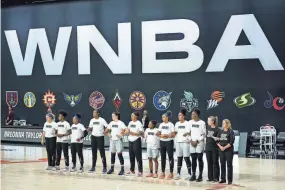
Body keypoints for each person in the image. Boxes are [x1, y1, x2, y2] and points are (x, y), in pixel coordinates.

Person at [188, 108, 206, 182]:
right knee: (193, 159)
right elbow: (188, 132)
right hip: (192, 143)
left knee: (199, 159)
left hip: (199, 143)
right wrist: (191, 140)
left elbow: (204, 134)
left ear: (197, 114)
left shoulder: (202, 123)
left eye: (193, 114)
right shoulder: (190, 122)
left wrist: (197, 141)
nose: (192, 115)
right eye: (191, 114)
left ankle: (200, 175)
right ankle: (193, 174)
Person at [173, 109, 192, 180]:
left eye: (180, 115)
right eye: (178, 115)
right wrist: (170, 134)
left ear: (183, 116)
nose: (179, 116)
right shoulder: (177, 124)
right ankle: (178, 174)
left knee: (186, 158)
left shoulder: (187, 123)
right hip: (178, 142)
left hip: (185, 142)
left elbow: (190, 132)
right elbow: (175, 133)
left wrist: (187, 135)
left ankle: (190, 174)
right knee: (179, 158)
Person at [156, 111, 175, 179]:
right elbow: (157, 133)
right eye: (162, 117)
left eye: (163, 117)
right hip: (162, 142)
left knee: (170, 157)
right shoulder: (161, 125)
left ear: (167, 117)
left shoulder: (171, 124)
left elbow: (173, 134)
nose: (162, 118)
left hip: (169, 142)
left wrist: (167, 135)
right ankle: (163, 172)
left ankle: (171, 172)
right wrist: (161, 135)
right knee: (162, 157)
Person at [125, 112, 144, 176]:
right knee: (131, 156)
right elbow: (128, 130)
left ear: (136, 116)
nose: (131, 116)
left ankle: (140, 171)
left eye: (132, 115)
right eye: (131, 115)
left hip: (136, 140)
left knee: (138, 156)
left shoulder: (139, 123)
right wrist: (126, 131)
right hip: (130, 140)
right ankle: (132, 170)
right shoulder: (130, 123)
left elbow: (141, 133)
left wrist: (134, 133)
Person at [217, 119, 235, 185]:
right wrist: (220, 147)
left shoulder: (231, 132)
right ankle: (223, 179)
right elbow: (217, 140)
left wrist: (224, 147)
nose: (223, 124)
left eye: (224, 123)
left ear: (227, 124)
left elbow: (231, 142)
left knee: (229, 165)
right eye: (223, 123)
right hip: (221, 150)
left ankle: (229, 180)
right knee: (222, 164)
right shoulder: (220, 131)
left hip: (228, 151)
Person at [206, 116, 220, 182]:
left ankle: (216, 178)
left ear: (212, 121)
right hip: (208, 147)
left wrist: (215, 138)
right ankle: (210, 177)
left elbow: (219, 139)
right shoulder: (207, 127)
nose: (207, 122)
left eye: (208, 120)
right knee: (209, 163)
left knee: (215, 162)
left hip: (214, 148)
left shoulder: (217, 129)